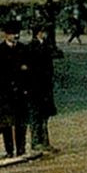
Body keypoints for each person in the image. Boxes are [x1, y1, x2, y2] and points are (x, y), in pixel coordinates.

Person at [0, 21, 32, 157]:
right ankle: (9, 150)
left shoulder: (23, 49)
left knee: (21, 122)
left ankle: (21, 148)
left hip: (21, 91)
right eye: (12, 34)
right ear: (6, 35)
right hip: (4, 92)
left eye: (17, 33)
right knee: (7, 124)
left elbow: (29, 69)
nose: (15, 36)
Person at [27, 25, 58, 153]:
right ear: (38, 33)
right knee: (36, 116)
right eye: (43, 32)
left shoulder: (45, 45)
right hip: (36, 86)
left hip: (45, 86)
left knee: (44, 116)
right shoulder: (32, 47)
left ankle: (45, 141)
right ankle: (36, 142)